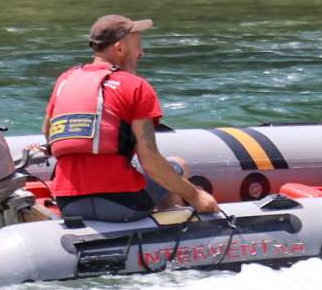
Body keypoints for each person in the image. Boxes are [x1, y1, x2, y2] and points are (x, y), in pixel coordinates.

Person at [44, 14, 220, 221]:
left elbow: (49, 133)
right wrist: (195, 195)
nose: (142, 53)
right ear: (119, 48)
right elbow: (151, 161)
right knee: (176, 166)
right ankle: (166, 233)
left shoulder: (65, 81)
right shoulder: (135, 87)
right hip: (123, 204)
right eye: (138, 46)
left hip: (69, 204)